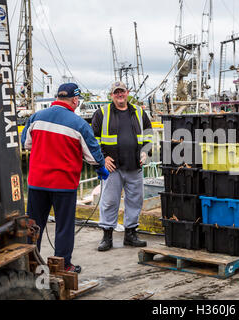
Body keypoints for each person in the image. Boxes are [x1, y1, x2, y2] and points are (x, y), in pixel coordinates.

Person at [21, 83, 109, 273]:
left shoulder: (36, 118)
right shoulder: (78, 124)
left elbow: (26, 144)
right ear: (75, 100)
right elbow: (93, 156)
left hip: (37, 183)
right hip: (63, 185)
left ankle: (29, 264)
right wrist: (101, 168)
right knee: (64, 227)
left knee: (33, 226)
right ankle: (62, 266)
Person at [92, 81, 153, 251]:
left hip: (134, 165)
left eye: (122, 91)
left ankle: (130, 234)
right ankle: (107, 236)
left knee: (135, 201)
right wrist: (103, 158)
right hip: (113, 168)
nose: (120, 95)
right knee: (109, 201)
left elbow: (148, 133)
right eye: (116, 92)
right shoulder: (102, 113)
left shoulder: (139, 112)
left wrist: (145, 152)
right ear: (111, 95)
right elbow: (94, 140)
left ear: (127, 93)